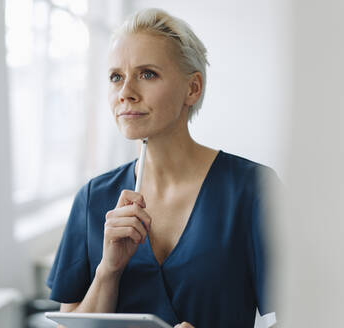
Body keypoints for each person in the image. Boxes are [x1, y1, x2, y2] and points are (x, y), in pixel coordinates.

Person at [46, 7, 279, 328]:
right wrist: (108, 271)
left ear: (192, 88)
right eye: (116, 77)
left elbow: (309, 313)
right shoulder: (92, 198)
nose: (125, 93)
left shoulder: (253, 188)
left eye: (147, 74)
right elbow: (69, 323)